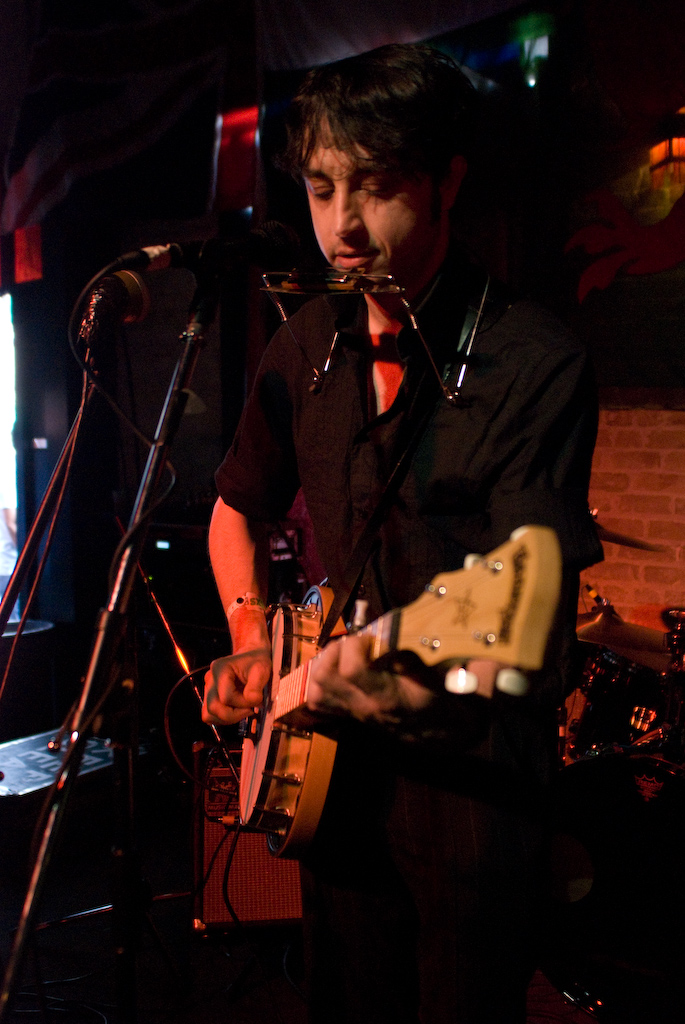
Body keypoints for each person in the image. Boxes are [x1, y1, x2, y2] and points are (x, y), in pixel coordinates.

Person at [203, 43, 602, 1024]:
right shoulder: (306, 342)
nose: (342, 224)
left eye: (376, 188)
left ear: (445, 182)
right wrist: (254, 639)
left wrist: (326, 675)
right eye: (322, 188)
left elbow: (519, 610)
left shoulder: (531, 362)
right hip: (335, 783)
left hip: (473, 789)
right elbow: (236, 506)